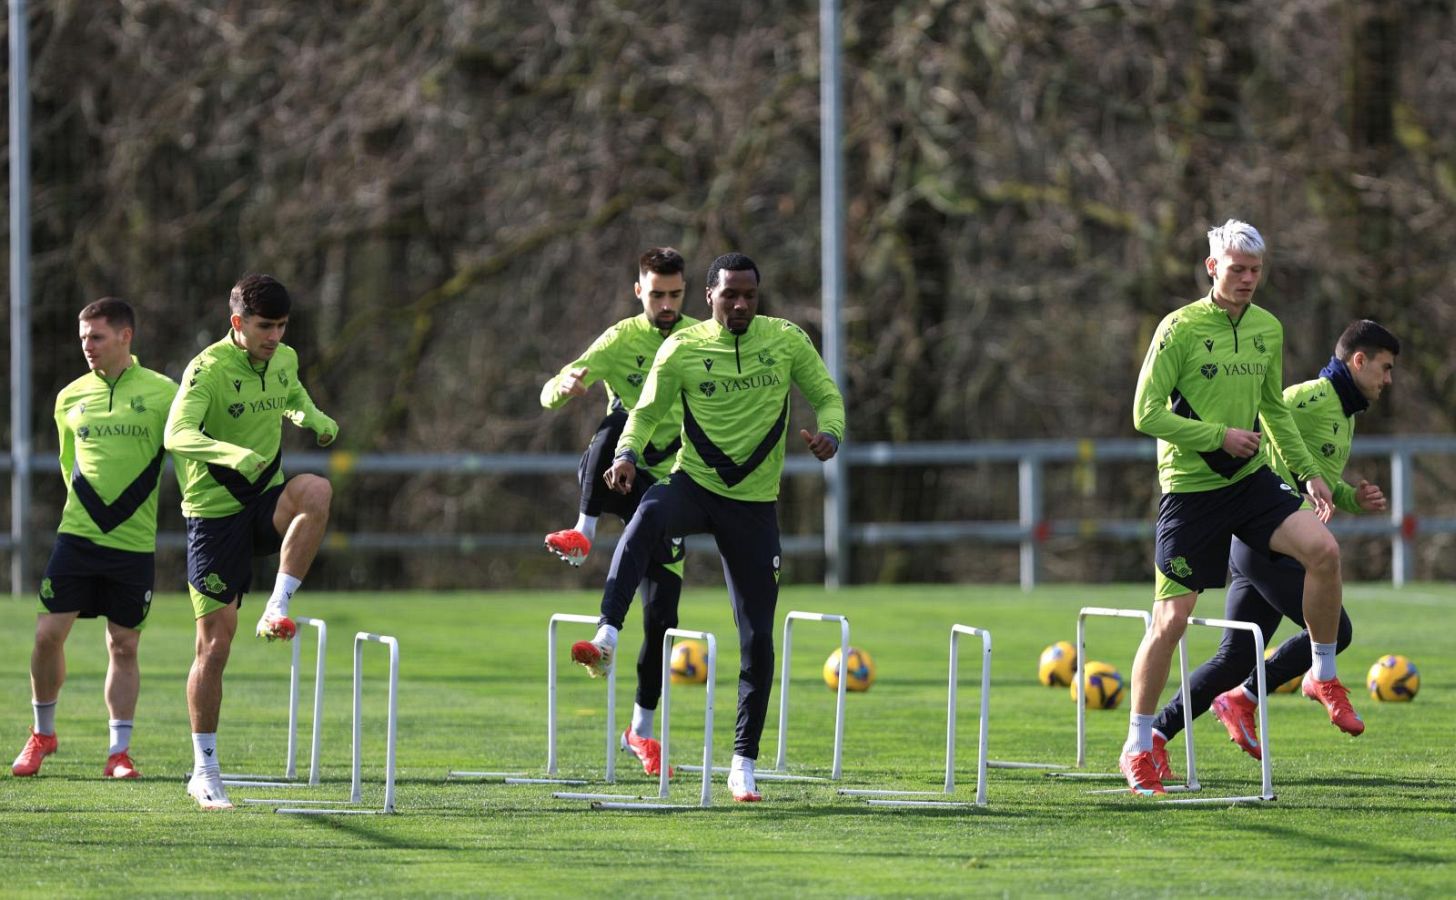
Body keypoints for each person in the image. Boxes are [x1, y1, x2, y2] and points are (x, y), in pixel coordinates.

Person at [570, 252, 845, 802]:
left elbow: (827, 395)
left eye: (749, 296)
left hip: (753, 505)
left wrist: (830, 434)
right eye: (729, 296)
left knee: (756, 637)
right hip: (694, 484)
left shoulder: (786, 340)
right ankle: (606, 634)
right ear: (709, 298)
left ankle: (743, 762)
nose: (740, 305)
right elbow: (644, 413)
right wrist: (626, 454)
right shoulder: (683, 348)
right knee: (648, 513)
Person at [1123, 219, 1355, 797]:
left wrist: (1309, 476)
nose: (1248, 279)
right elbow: (1145, 415)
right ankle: (1139, 743)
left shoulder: (1267, 329)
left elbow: (1274, 409)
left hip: (1251, 484)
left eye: (1256, 270)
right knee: (1171, 622)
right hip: (1190, 491)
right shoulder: (1178, 329)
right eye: (1237, 269)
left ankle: (1322, 675)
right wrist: (1216, 436)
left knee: (1324, 550)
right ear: (1212, 268)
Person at [1148, 320, 1398, 775]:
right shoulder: (1312, 397)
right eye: (1384, 368)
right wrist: (1268, 499)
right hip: (1267, 535)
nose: (1388, 380)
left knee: (1236, 656)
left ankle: (1158, 735)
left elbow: (1317, 480)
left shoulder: (1344, 413)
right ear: (1358, 361)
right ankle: (1251, 696)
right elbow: (1264, 419)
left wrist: (1352, 498)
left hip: (1265, 539)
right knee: (1335, 633)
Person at [164, 274, 338, 810]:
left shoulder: (283, 358)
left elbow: (290, 394)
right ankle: (205, 769)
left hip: (265, 500)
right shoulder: (207, 369)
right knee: (214, 646)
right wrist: (228, 452)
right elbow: (177, 434)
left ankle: (278, 605)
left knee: (316, 490)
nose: (275, 336)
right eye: (265, 327)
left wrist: (310, 417)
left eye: (283, 327)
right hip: (214, 516)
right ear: (238, 323)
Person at [539, 247, 700, 774]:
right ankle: (583, 529)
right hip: (618, 472)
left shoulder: (701, 339)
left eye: (676, 294)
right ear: (639, 291)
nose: (667, 303)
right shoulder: (619, 339)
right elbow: (551, 389)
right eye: (657, 294)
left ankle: (641, 733)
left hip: (671, 482)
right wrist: (562, 389)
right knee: (612, 427)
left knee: (663, 620)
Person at [11, 298, 177, 780]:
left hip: (133, 545)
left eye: (97, 336)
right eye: (83, 337)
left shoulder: (165, 394)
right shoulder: (69, 397)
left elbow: (183, 457)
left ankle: (118, 753)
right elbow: (69, 465)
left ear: (126, 336)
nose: (87, 345)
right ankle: (43, 734)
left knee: (123, 645)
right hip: (77, 538)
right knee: (47, 636)